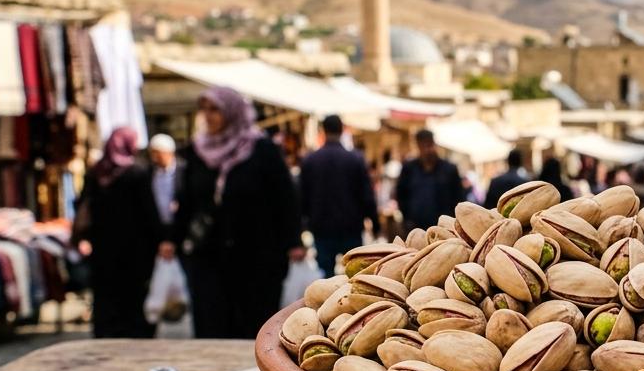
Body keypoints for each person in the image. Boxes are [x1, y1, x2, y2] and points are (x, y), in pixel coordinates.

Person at [166, 87, 303, 339]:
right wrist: (171, 239)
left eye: (215, 109)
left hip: (256, 258)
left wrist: (293, 241)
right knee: (211, 326)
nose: (208, 116)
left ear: (232, 112)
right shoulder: (197, 152)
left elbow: (285, 199)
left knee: (253, 329)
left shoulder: (261, 151)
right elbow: (186, 201)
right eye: (204, 109)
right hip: (208, 257)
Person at [75, 127, 162, 338]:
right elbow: (149, 212)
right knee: (133, 302)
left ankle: (106, 337)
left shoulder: (96, 173)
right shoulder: (137, 173)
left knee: (106, 301)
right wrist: (160, 241)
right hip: (135, 253)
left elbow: (83, 207)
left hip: (103, 250)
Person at [299, 115, 377, 276]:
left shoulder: (310, 161)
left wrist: (303, 226)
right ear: (342, 130)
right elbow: (366, 195)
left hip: (322, 228)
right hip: (351, 227)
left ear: (323, 131)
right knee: (356, 276)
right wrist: (375, 223)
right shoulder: (355, 159)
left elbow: (302, 198)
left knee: (325, 276)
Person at [396, 129, 463, 232]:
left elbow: (459, 198)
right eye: (423, 146)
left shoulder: (449, 170)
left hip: (445, 228)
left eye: (430, 145)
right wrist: (407, 219)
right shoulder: (408, 169)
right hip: (416, 228)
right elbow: (401, 195)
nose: (428, 150)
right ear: (418, 146)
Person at [147, 133, 178, 226]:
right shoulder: (149, 172)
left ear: (169, 153)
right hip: (156, 224)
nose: (154, 157)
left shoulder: (183, 170)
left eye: (157, 152)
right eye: (152, 153)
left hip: (178, 223)